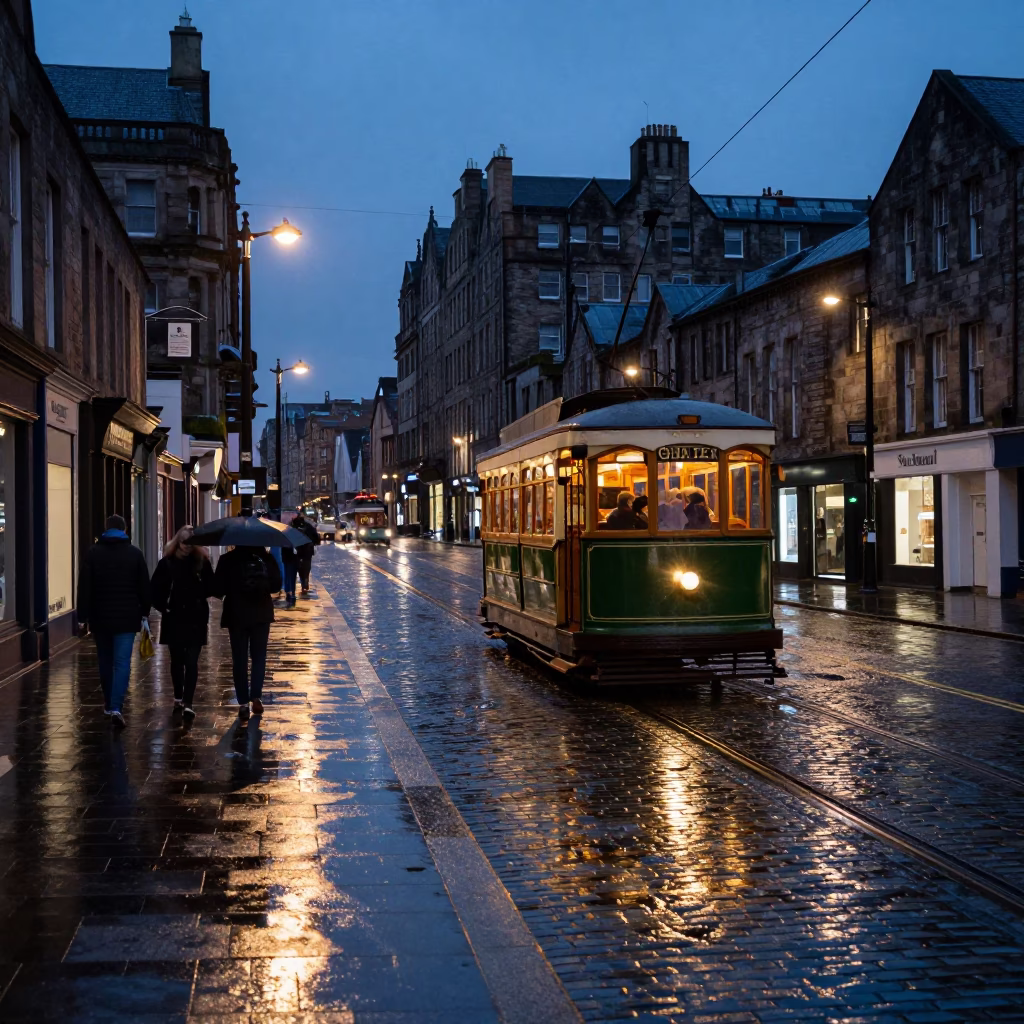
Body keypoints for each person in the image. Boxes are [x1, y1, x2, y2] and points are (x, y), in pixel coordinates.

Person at [77, 514, 151, 728]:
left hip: (100, 617)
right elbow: (144, 587)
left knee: (105, 661)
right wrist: (144, 611)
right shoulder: (135, 554)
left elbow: (85, 587)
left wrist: (82, 617)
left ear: (106, 529)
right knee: (121, 663)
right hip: (127, 618)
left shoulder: (93, 553)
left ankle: (109, 703)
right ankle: (116, 706)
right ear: (125, 530)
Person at [150, 525, 214, 719]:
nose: (186, 546)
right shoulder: (167, 563)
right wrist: (164, 607)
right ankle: (178, 697)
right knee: (177, 661)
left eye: (190, 543)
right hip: (175, 616)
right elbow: (155, 590)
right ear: (177, 541)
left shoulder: (201, 562)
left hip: (195, 617)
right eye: (183, 542)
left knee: (192, 661)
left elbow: (211, 586)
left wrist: (200, 591)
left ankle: (188, 702)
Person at [212, 544, 282, 718]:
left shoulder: (227, 559)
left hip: (236, 615)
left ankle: (243, 702)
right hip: (261, 613)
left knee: (239, 658)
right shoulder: (266, 558)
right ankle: (256, 696)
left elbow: (217, 589)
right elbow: (276, 586)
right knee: (259, 657)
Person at [291, 513, 320, 594]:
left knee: (298, 567)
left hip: (297, 550)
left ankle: (301, 582)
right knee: (306, 566)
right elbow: (316, 538)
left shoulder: (293, 527)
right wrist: (314, 543)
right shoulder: (309, 526)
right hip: (308, 550)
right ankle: (305, 582)